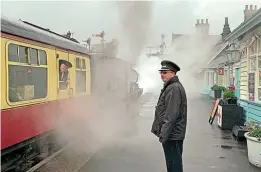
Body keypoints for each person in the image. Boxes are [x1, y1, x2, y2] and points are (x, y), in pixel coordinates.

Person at [151, 60, 187, 172]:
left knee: (174, 166)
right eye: (161, 72)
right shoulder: (172, 86)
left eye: (165, 72)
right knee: (172, 164)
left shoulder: (174, 88)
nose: (162, 75)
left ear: (173, 73)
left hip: (172, 135)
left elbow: (171, 114)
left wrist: (164, 135)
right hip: (172, 134)